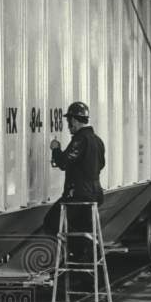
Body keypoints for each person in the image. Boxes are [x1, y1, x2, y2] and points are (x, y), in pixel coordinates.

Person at [43, 101, 105, 259]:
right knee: (81, 227)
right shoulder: (97, 140)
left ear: (75, 120)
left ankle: (81, 248)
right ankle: (87, 258)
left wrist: (56, 149)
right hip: (95, 194)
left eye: (69, 121)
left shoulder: (80, 139)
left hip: (78, 195)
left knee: (51, 221)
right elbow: (101, 164)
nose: (68, 125)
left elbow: (64, 162)